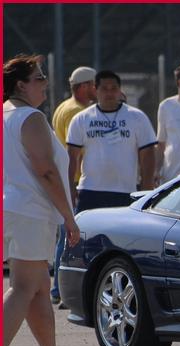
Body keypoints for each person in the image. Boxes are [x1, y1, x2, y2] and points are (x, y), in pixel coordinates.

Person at [3, 54, 80, 346]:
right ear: (21, 84)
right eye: (39, 77)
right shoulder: (29, 117)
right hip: (31, 211)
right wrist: (68, 216)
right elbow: (45, 170)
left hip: (16, 209)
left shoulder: (6, 115)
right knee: (24, 288)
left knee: (37, 289)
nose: (46, 82)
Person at [67, 70, 157, 213]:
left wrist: (147, 191)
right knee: (88, 234)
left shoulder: (136, 117)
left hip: (126, 191)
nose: (109, 93)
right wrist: (70, 190)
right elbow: (71, 158)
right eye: (104, 89)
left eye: (113, 88)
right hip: (91, 191)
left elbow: (148, 156)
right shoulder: (81, 119)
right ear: (95, 90)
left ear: (120, 90)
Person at [50, 66, 96, 307]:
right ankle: (61, 288)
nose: (96, 90)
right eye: (93, 85)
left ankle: (58, 288)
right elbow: (75, 150)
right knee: (70, 237)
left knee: (64, 238)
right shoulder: (78, 112)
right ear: (84, 86)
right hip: (74, 181)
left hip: (64, 180)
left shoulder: (62, 108)